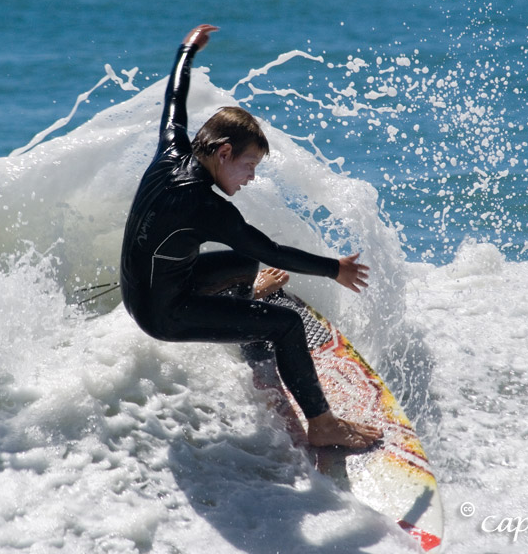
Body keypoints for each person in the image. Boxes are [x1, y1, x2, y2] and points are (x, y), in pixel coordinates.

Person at [120, 23, 382, 449]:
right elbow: (270, 248)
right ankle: (323, 425)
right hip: (162, 312)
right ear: (223, 152)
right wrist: (335, 269)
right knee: (287, 324)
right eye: (249, 165)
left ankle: (246, 319)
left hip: (148, 287)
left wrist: (186, 50)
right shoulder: (204, 206)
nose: (250, 178)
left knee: (244, 265)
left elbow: (173, 101)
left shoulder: (171, 150)